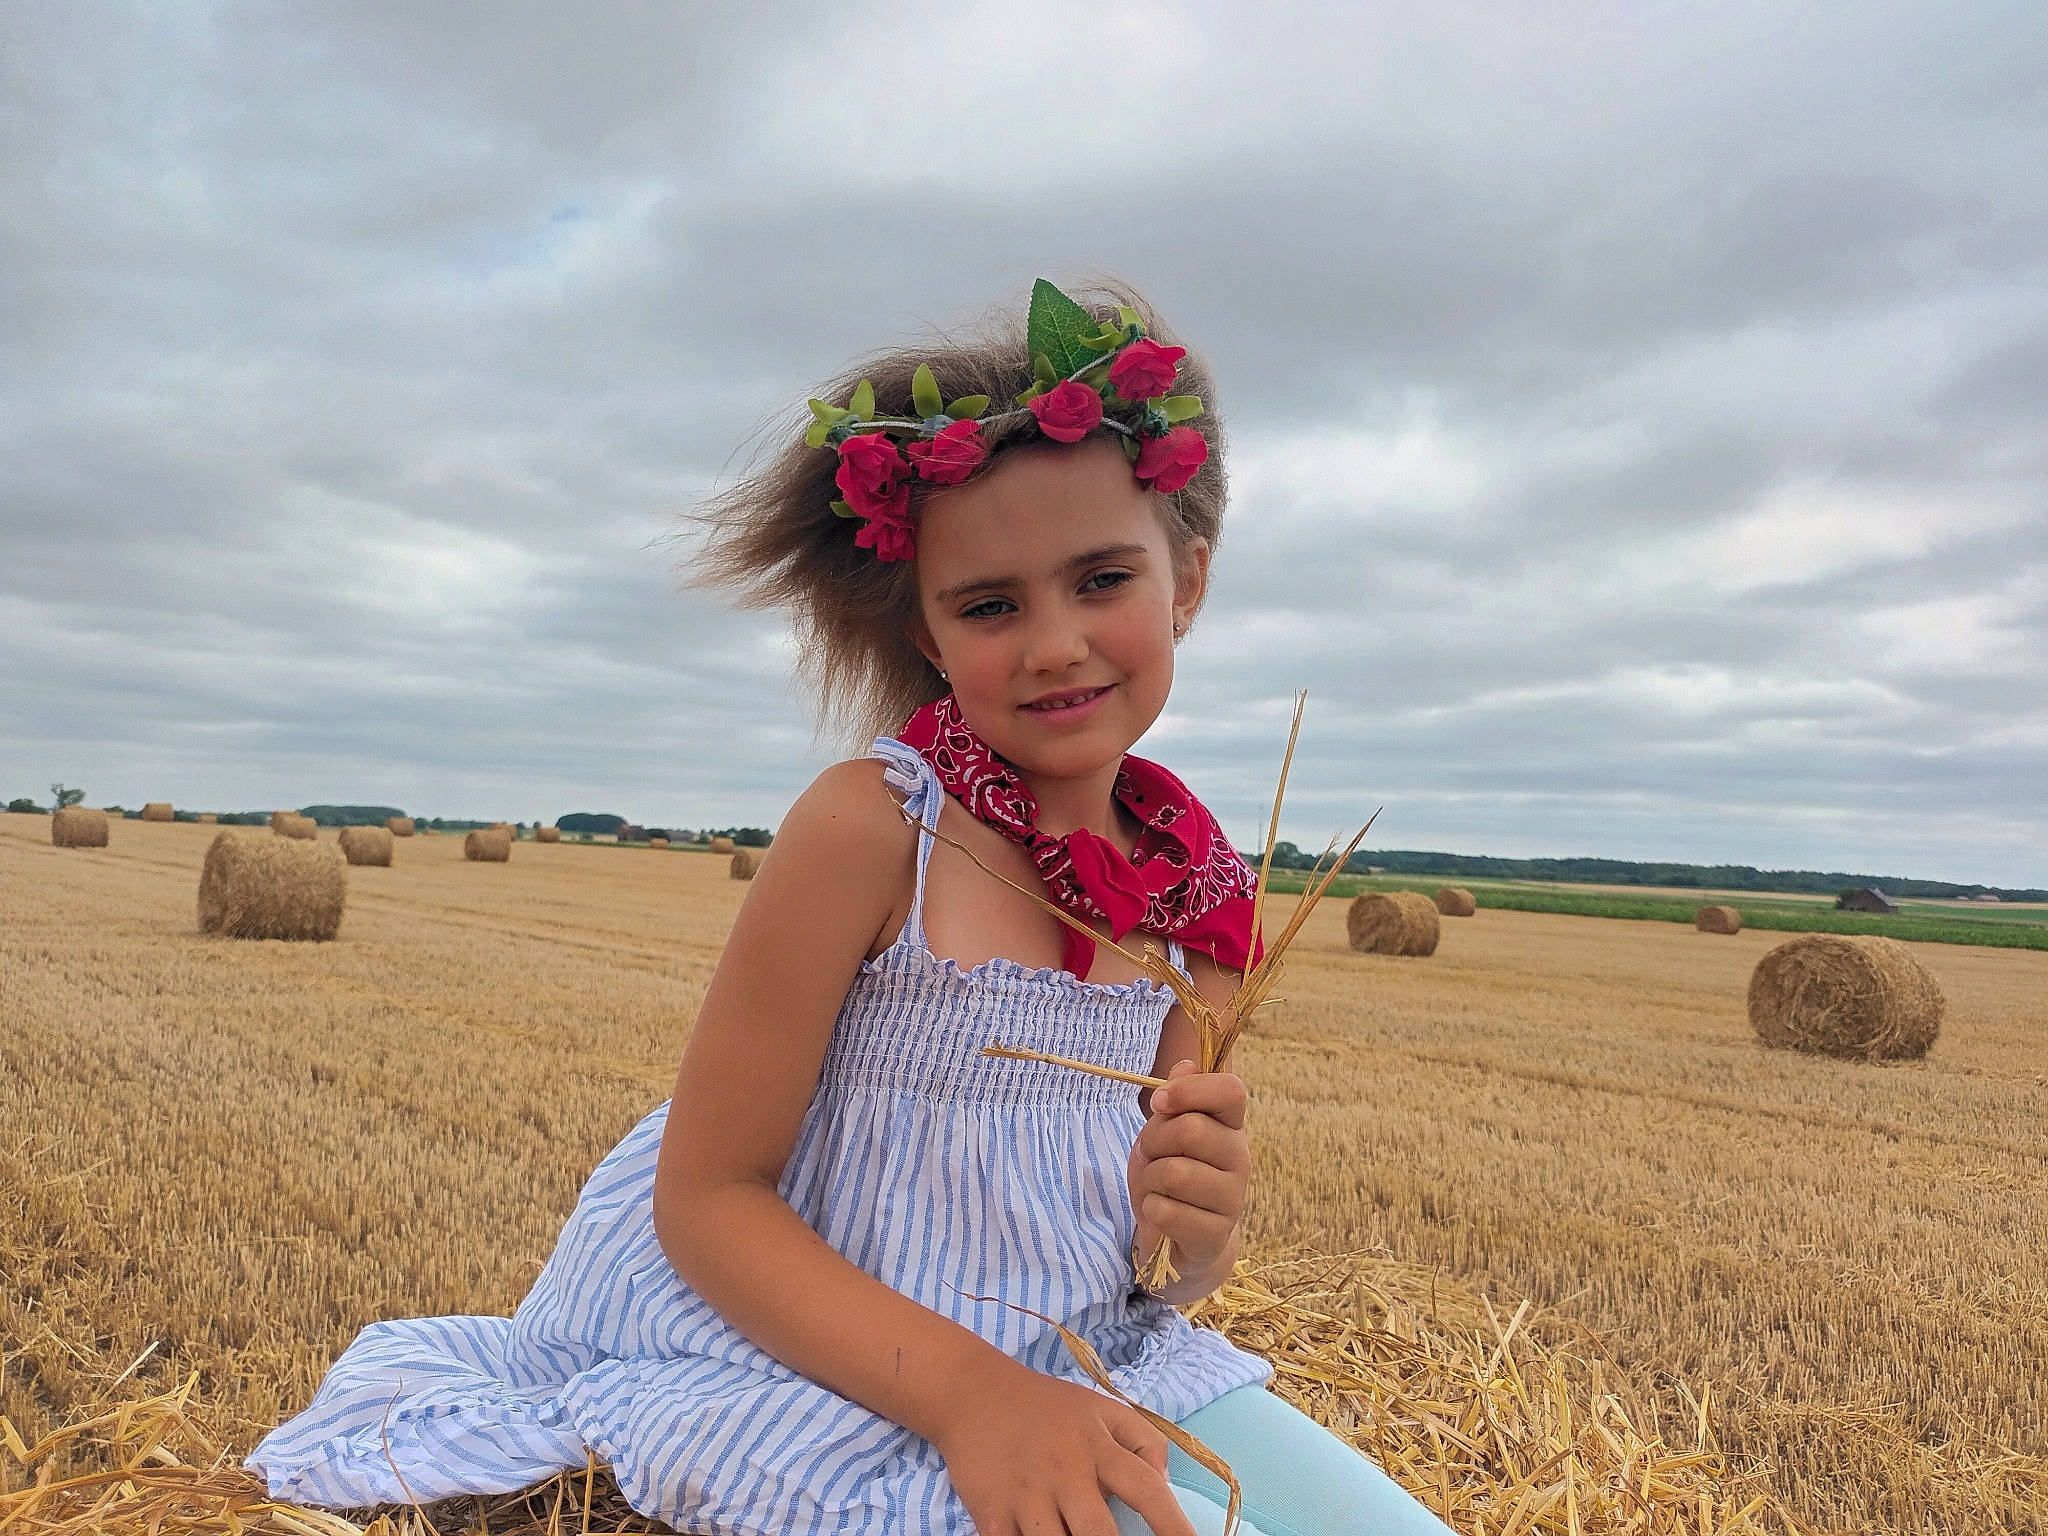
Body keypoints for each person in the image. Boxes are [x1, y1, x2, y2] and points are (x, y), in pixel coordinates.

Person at [246, 280, 1453, 1536]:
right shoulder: (874, 831)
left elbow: (1158, 1278)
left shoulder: (1197, 894)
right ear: (927, 632)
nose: (1052, 643)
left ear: (1186, 581)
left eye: (1101, 579)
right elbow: (707, 1195)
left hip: (1086, 1361)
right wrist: (972, 1399)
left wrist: (1199, 1236)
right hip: (822, 1369)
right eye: (989, 604)